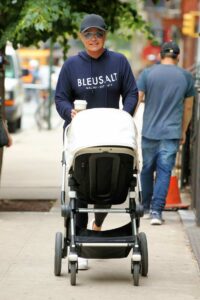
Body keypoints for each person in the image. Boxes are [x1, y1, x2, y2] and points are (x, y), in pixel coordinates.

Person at [55, 14, 138, 268]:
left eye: (98, 34)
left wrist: (124, 116)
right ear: (82, 37)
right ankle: (78, 244)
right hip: (83, 138)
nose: (94, 38)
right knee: (81, 188)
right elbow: (60, 98)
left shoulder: (119, 62)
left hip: (112, 136)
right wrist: (70, 112)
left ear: (105, 36)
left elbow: (132, 93)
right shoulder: (71, 66)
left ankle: (98, 225)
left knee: (108, 186)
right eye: (89, 34)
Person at [137, 41, 195, 225]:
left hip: (149, 130)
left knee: (146, 169)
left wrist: (127, 121)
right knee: (164, 171)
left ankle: (145, 207)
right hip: (171, 132)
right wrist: (183, 130)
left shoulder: (147, 73)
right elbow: (188, 107)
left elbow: (137, 98)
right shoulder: (186, 76)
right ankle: (156, 212)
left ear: (161, 56)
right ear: (178, 57)